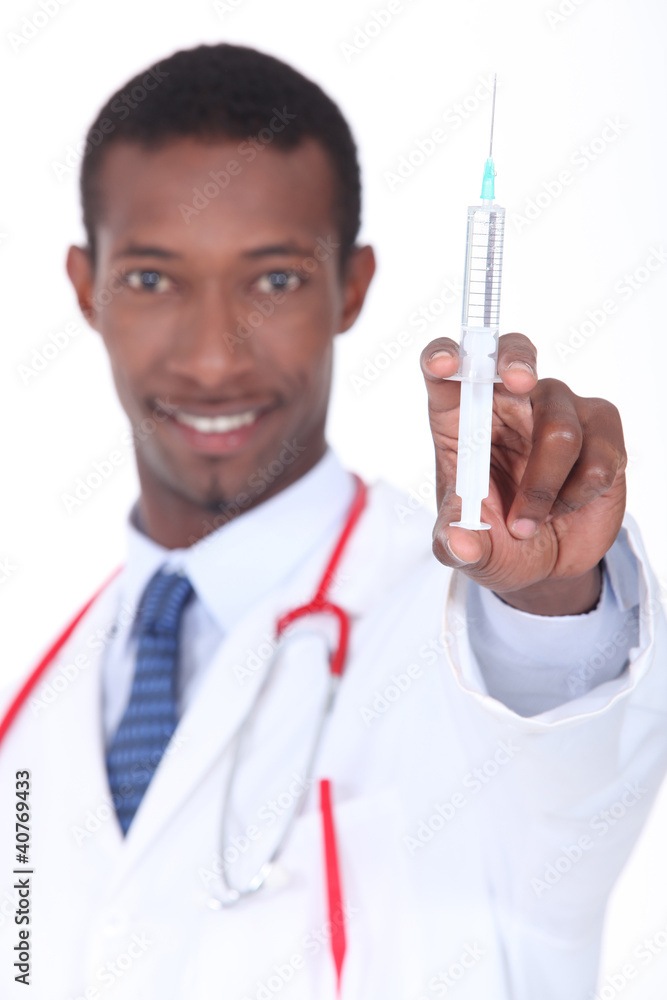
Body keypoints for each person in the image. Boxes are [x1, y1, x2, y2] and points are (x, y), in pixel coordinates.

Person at [0, 42, 665, 1000]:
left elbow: (569, 752)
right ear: (83, 285)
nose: (212, 359)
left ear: (351, 286)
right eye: (151, 279)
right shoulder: (35, 707)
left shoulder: (462, 637)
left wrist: (551, 594)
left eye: (274, 280)